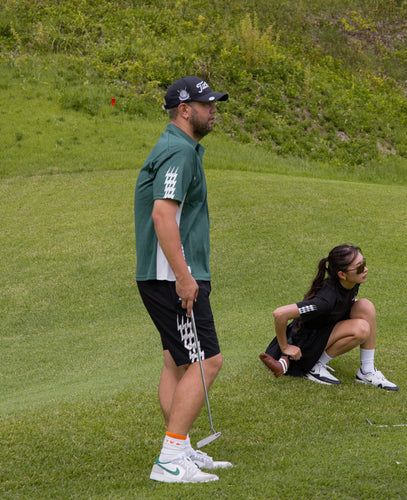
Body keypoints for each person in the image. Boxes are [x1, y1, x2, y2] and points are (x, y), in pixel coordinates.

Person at [134, 76, 232, 483]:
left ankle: (181, 448)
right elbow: (162, 214)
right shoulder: (179, 151)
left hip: (163, 274)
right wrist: (184, 276)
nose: (215, 111)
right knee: (208, 360)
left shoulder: (179, 147)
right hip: (171, 275)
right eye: (207, 104)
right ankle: (170, 458)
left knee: (177, 361)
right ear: (185, 110)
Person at [259, 244, 398, 391]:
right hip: (303, 347)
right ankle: (314, 366)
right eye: (358, 267)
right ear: (342, 274)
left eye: (363, 263)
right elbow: (280, 314)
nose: (365, 269)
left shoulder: (351, 283)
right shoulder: (325, 300)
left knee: (365, 306)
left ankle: (367, 371)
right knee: (361, 328)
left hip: (323, 331)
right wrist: (285, 347)